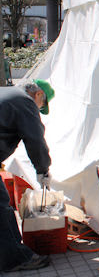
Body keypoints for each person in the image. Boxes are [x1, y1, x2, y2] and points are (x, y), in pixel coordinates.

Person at [0, 79, 55, 271]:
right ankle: (16, 259)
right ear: (38, 94)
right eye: (42, 105)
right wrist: (43, 170)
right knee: (1, 207)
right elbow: (35, 140)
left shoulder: (8, 94)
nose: (39, 109)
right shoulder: (25, 102)